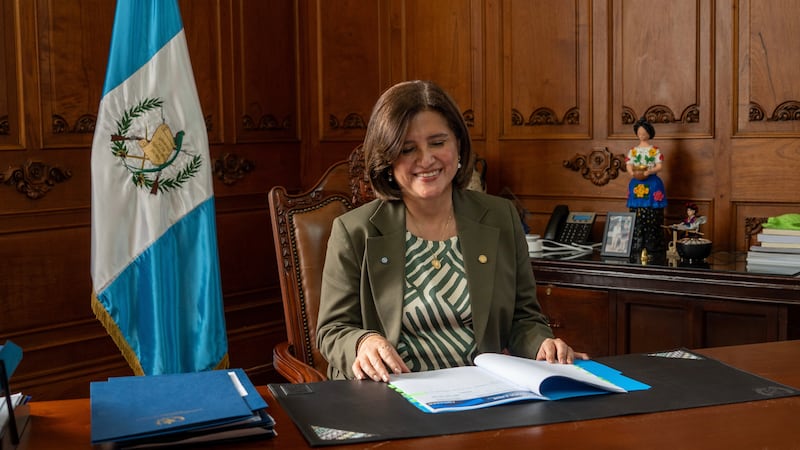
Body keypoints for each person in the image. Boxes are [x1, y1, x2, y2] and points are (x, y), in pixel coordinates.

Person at [316, 80, 587, 383]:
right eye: (407, 149)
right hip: (390, 397)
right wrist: (362, 342)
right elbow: (332, 330)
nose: (426, 159)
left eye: (437, 142)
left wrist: (543, 345)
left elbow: (523, 318)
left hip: (482, 394)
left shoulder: (500, 217)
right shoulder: (355, 230)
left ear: (458, 144)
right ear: (387, 161)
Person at [625, 117, 667, 252]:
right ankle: (637, 242)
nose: (642, 134)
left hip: (652, 182)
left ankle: (653, 243)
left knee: (652, 214)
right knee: (636, 214)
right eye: (639, 132)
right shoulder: (633, 151)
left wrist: (650, 171)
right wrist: (632, 172)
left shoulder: (654, 150)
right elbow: (629, 164)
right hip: (636, 183)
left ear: (650, 133)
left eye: (644, 132)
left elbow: (659, 166)